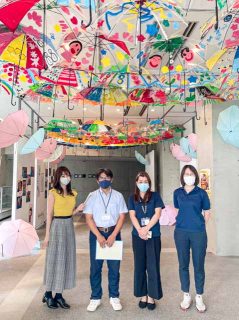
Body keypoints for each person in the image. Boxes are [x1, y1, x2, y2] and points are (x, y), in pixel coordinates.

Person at [83, 168, 128, 312]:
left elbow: (122, 216)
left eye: (107, 177)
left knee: (114, 268)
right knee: (95, 268)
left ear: (111, 179)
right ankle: (95, 297)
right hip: (97, 234)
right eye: (101, 178)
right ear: (97, 180)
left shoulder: (118, 196)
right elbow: (88, 217)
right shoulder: (92, 196)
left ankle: (114, 297)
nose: (104, 180)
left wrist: (114, 235)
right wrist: (98, 235)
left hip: (113, 233)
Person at [42, 166, 84, 309]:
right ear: (57, 177)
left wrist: (77, 210)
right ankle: (48, 293)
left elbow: (70, 212)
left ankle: (59, 295)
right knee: (53, 260)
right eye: (63, 175)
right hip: (57, 226)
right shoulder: (53, 193)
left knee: (65, 260)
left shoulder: (73, 193)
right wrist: (47, 235)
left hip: (68, 226)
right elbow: (49, 215)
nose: (66, 177)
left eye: (67, 175)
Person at [173, 165, 211, 313]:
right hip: (181, 232)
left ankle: (199, 296)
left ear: (195, 176)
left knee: (198, 265)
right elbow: (177, 210)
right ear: (182, 176)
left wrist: (200, 225)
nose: (188, 176)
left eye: (191, 174)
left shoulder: (201, 193)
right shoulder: (177, 193)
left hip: (198, 233)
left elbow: (207, 212)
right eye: (186, 174)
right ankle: (186, 295)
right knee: (183, 264)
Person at [128, 172, 164, 311]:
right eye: (140, 181)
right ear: (136, 183)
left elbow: (158, 213)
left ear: (149, 183)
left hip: (153, 235)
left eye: (145, 181)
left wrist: (146, 228)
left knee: (153, 265)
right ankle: (142, 294)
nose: (143, 183)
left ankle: (152, 296)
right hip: (137, 236)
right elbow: (132, 215)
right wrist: (140, 230)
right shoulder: (132, 198)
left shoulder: (155, 196)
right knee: (139, 265)